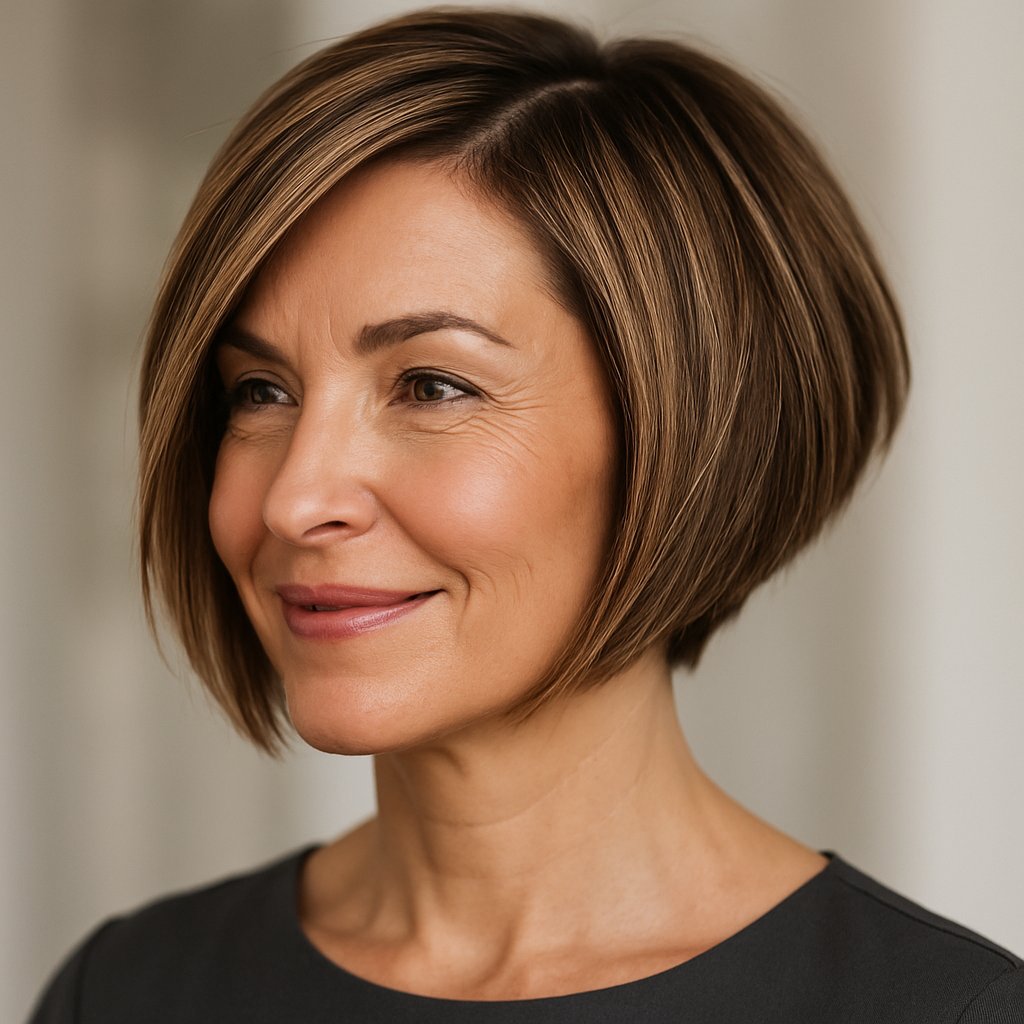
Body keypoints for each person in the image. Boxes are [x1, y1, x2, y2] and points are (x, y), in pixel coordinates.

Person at [29, 7, 1023, 1022]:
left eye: (430, 386)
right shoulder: (127, 992)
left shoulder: (940, 1011)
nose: (295, 499)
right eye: (259, 392)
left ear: (687, 436)